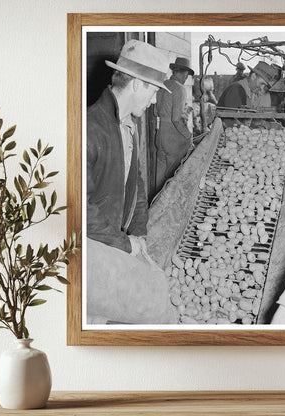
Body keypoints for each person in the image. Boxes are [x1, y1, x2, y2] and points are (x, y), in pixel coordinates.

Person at [86, 39, 176, 325]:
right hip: (92, 250)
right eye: (153, 92)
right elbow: (79, 211)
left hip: (114, 243)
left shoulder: (128, 126)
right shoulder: (88, 128)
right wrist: (125, 244)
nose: (154, 101)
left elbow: (135, 185)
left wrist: (139, 235)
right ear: (137, 84)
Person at [155, 57, 194, 193]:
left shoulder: (162, 84)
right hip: (173, 139)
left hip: (160, 136)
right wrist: (188, 136)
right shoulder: (180, 89)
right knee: (173, 179)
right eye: (186, 76)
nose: (186, 78)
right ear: (184, 74)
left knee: (159, 176)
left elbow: (156, 111)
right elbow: (176, 119)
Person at [217, 61, 273, 127]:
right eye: (262, 84)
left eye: (265, 86)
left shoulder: (251, 93)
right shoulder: (236, 89)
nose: (262, 88)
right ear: (253, 76)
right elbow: (229, 121)